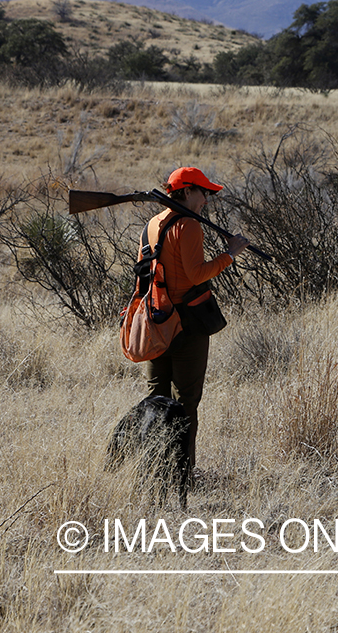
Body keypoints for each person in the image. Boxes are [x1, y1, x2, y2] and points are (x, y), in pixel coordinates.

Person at [144, 167, 249, 472]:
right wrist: (229, 255)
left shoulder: (154, 222)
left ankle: (153, 471)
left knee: (156, 400)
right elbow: (196, 275)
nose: (206, 199)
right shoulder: (189, 225)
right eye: (204, 192)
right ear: (187, 191)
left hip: (157, 321)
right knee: (185, 403)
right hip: (186, 324)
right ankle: (182, 474)